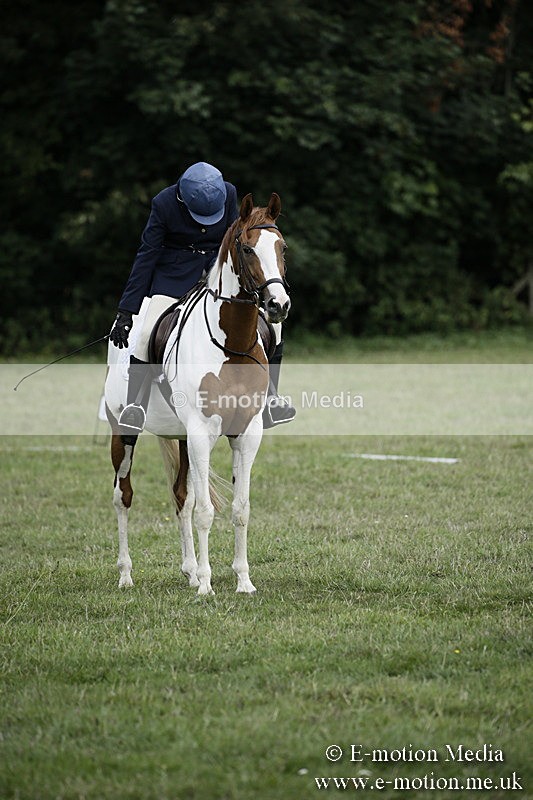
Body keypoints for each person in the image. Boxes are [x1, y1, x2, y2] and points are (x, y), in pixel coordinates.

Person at [109, 161, 295, 442]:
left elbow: (235, 237)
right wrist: (126, 310)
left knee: (275, 327)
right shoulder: (164, 203)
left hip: (219, 271)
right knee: (147, 333)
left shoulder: (229, 192)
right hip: (174, 275)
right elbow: (147, 255)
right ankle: (136, 406)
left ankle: (272, 400)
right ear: (183, 199)